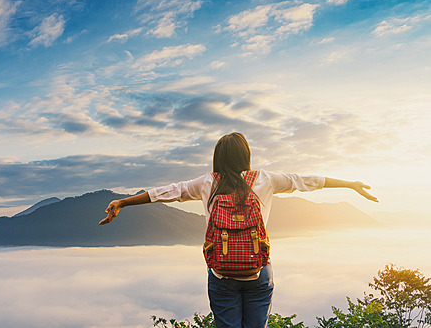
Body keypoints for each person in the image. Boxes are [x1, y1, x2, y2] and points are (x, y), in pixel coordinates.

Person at [99, 132, 378, 328]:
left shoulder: (207, 182)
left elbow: (168, 192)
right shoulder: (265, 180)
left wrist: (123, 202)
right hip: (258, 270)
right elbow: (306, 180)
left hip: (221, 273)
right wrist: (349, 184)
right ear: (246, 155)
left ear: (217, 157)